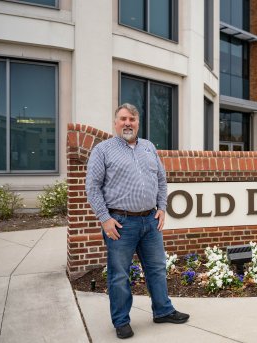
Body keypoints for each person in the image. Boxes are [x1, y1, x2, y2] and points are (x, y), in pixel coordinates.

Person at [86, 103, 189, 339]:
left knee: (157, 268)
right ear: (115, 123)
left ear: (138, 122)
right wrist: (105, 219)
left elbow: (161, 180)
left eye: (132, 119)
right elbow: (92, 188)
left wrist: (162, 207)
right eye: (123, 119)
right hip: (120, 223)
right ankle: (121, 321)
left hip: (150, 221)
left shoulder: (149, 147)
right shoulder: (103, 150)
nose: (127, 123)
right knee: (119, 274)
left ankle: (163, 310)